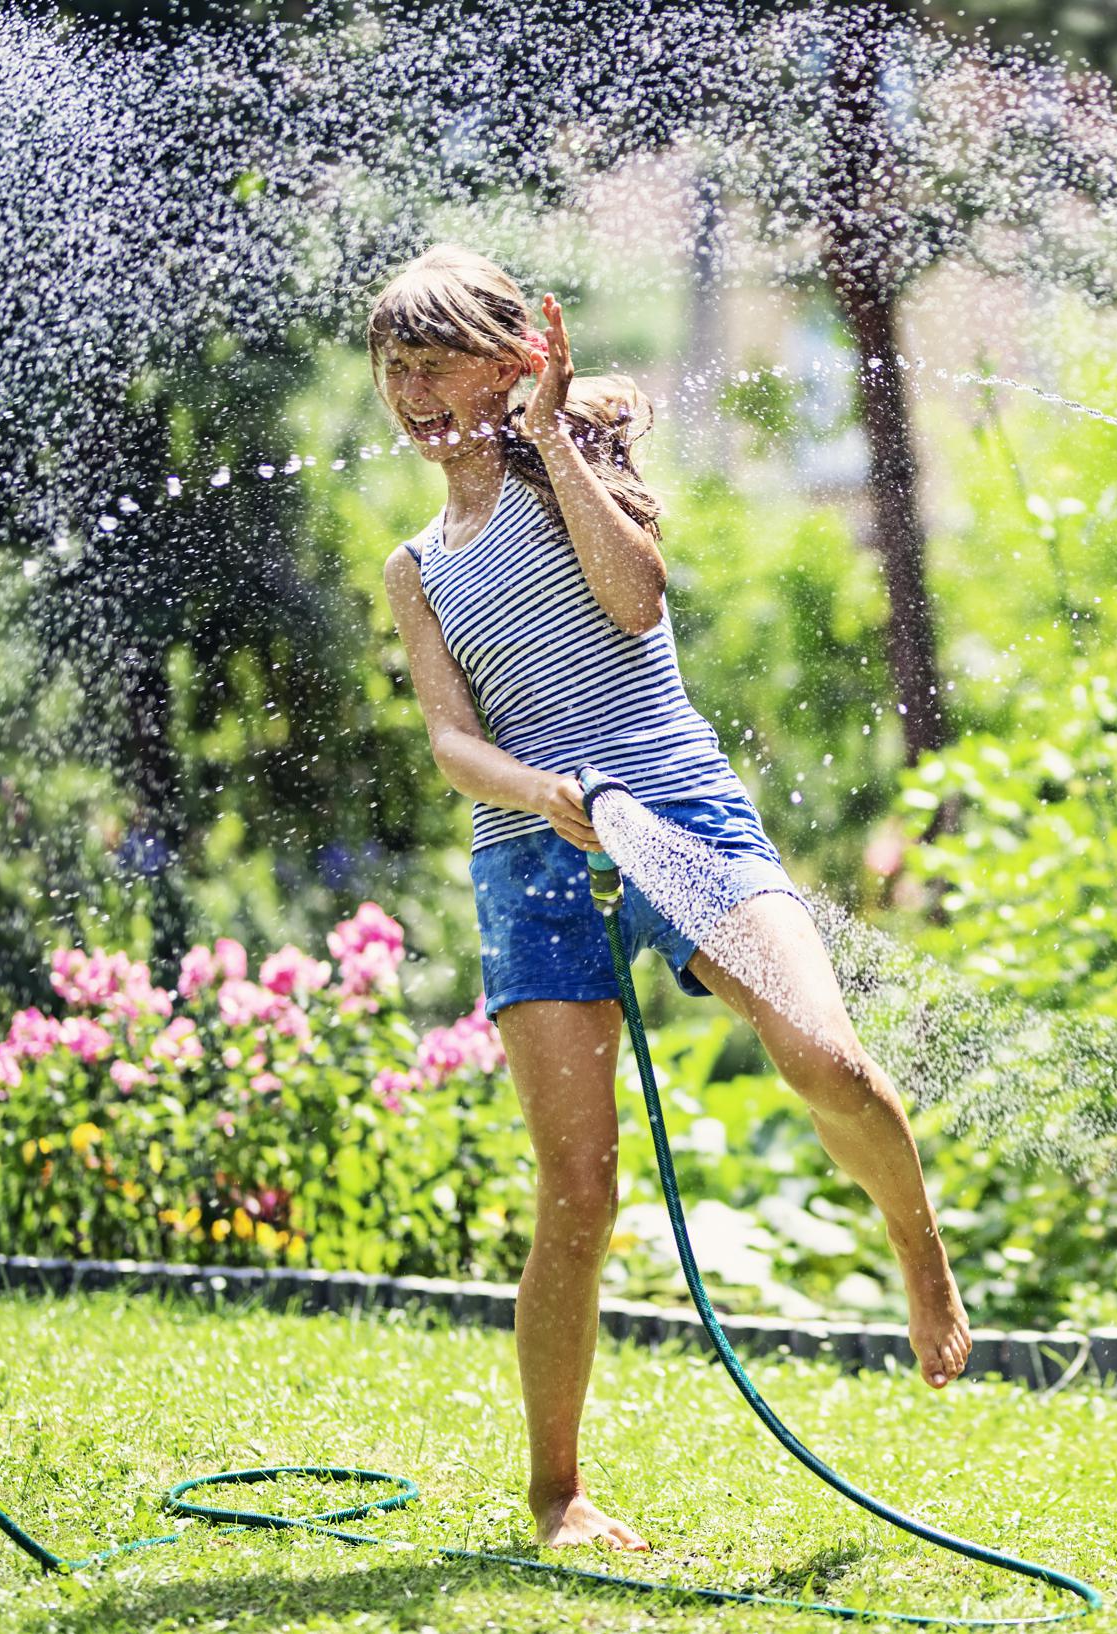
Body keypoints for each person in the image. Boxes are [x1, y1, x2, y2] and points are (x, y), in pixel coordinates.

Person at [372, 245, 971, 1552]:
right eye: (393, 366)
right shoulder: (416, 565)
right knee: (578, 1189)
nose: (412, 391)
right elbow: (447, 739)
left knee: (827, 1056)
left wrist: (550, 438)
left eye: (436, 364)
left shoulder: (577, 471)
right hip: (530, 853)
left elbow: (636, 601)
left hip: (678, 809)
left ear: (511, 362)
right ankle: (558, 1494)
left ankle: (917, 1244)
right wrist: (539, 795)